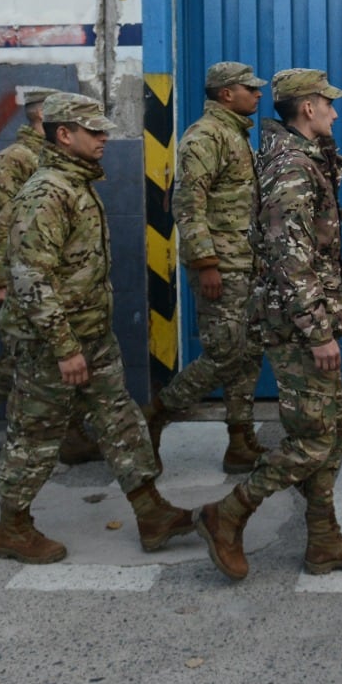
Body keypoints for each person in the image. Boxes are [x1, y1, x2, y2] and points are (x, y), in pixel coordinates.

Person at [0, 92, 195, 563]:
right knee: (35, 435)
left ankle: (151, 512)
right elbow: (31, 278)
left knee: (121, 421)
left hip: (90, 336)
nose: (105, 138)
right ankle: (12, 527)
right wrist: (64, 347)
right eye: (94, 131)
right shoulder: (46, 193)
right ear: (64, 135)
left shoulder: (76, 185)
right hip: (53, 343)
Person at [197, 69, 342, 580]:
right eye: (329, 104)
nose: (335, 113)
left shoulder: (303, 159)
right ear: (307, 108)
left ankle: (323, 540)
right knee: (315, 440)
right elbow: (287, 256)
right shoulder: (292, 166)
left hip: (303, 318)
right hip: (297, 326)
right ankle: (227, 513)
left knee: (332, 429)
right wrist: (317, 330)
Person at [0, 85, 100, 474]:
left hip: (64, 283)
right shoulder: (15, 160)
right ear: (46, 118)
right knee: (19, 361)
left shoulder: (60, 158)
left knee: (65, 356)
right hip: (28, 283)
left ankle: (71, 434)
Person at [145, 62, 269, 475]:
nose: (258, 94)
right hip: (222, 266)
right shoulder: (205, 136)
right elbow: (187, 203)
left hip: (245, 262)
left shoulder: (235, 133)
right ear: (225, 94)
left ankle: (239, 439)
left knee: (247, 353)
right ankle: (157, 412)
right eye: (249, 88)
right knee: (223, 354)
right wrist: (206, 263)